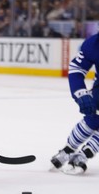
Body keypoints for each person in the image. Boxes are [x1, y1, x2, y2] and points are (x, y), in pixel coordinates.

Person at [50, 33, 99, 175]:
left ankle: (83, 153)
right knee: (92, 117)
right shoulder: (94, 43)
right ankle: (69, 150)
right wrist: (80, 92)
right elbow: (77, 68)